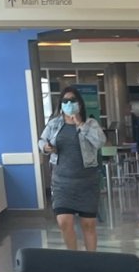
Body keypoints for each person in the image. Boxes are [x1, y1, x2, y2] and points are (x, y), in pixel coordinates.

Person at [38, 87, 103, 250]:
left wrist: (80, 124)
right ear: (60, 104)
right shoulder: (54, 124)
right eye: (65, 101)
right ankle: (74, 259)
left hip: (87, 183)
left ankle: (91, 262)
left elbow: (99, 142)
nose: (68, 104)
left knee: (88, 224)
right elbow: (41, 141)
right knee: (64, 222)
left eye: (72, 100)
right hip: (62, 183)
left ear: (79, 103)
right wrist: (46, 148)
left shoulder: (90, 123)